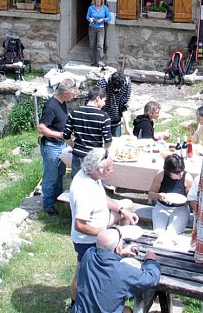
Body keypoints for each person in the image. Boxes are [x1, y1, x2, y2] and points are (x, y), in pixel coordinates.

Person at [69, 149, 139, 311]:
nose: (111, 171)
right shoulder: (83, 191)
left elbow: (101, 197)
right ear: (97, 169)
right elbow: (80, 225)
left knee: (127, 204)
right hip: (86, 239)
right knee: (82, 274)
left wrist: (122, 211)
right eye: (108, 168)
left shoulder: (92, 177)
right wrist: (105, 235)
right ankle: (75, 304)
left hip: (99, 223)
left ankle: (118, 249)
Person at [73, 227, 161, 313]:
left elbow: (102, 253)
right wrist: (151, 260)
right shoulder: (122, 271)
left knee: (126, 310)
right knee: (128, 310)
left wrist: (120, 252)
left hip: (82, 310)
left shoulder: (89, 254)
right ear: (117, 248)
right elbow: (151, 278)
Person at [37, 78, 78, 216]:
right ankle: (48, 204)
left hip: (61, 144)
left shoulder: (63, 103)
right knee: (50, 176)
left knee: (60, 173)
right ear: (65, 93)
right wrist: (60, 134)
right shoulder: (51, 106)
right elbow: (41, 128)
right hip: (51, 146)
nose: (75, 96)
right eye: (73, 94)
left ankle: (57, 197)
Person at [63, 86, 113, 179]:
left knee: (77, 182)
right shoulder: (104, 116)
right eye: (104, 100)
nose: (104, 104)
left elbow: (66, 135)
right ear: (98, 98)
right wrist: (106, 151)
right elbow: (108, 140)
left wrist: (73, 146)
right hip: (95, 157)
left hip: (78, 154)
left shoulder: (74, 112)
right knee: (94, 184)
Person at [148, 154, 194, 235]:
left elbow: (191, 199)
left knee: (171, 233)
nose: (180, 174)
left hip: (180, 208)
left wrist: (183, 200)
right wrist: (159, 195)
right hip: (161, 207)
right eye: (177, 172)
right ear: (168, 171)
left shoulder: (187, 177)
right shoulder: (161, 175)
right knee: (158, 233)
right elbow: (151, 193)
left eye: (182, 170)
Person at [97, 71, 132, 137]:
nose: (116, 91)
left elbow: (124, 106)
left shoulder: (127, 85)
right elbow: (97, 104)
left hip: (116, 121)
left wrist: (126, 126)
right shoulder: (103, 83)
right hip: (102, 121)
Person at [86, 0, 112, 67]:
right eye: (97, 0)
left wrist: (103, 19)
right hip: (92, 28)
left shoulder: (105, 8)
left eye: (99, 0)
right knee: (92, 45)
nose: (98, 1)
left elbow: (109, 17)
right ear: (94, 0)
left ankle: (99, 61)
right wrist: (90, 19)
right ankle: (92, 61)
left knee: (100, 45)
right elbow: (87, 16)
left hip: (101, 28)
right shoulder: (91, 8)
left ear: (101, 0)